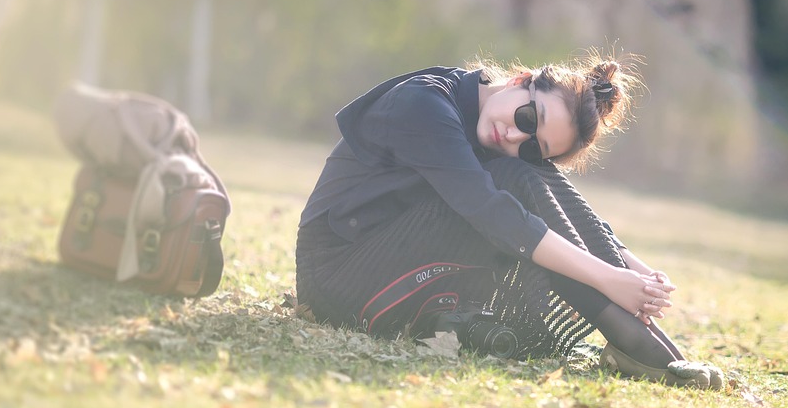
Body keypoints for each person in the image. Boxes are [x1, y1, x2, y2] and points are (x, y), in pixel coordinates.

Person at [295, 48, 724, 390]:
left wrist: (633, 268)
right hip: (339, 279)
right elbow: (490, 211)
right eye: (526, 118)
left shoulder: (502, 141)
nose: (517, 137)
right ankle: (639, 346)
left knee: (522, 172)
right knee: (511, 179)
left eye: (535, 144)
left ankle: (651, 347)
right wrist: (607, 278)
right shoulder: (424, 104)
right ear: (521, 82)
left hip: (395, 268)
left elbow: (555, 199)